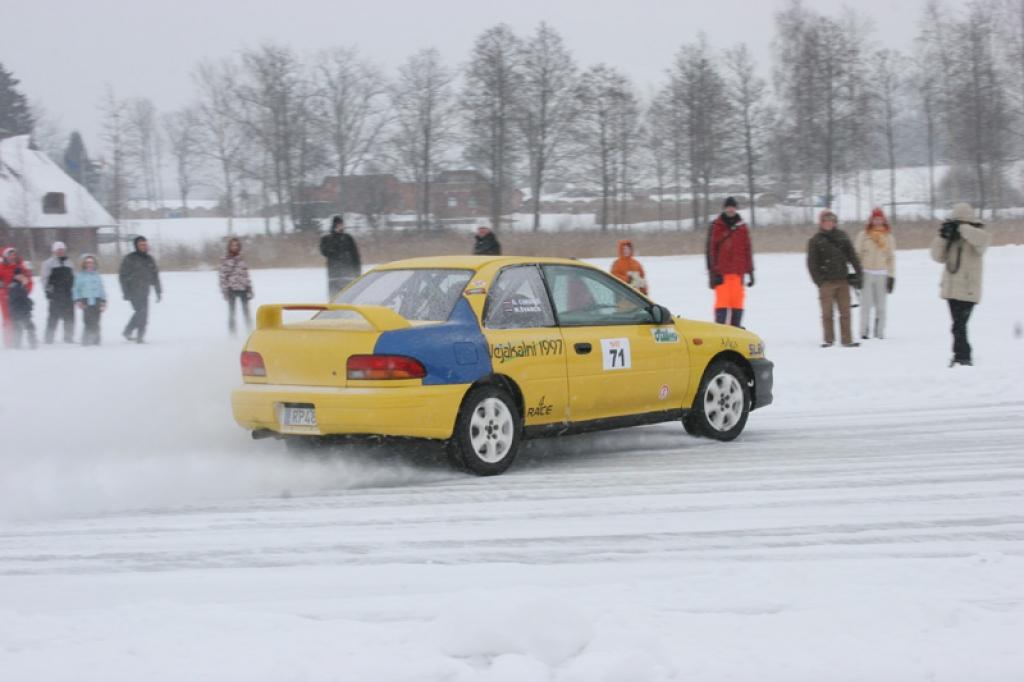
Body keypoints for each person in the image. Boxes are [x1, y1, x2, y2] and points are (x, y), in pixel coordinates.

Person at [930, 202, 992, 367]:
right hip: (951, 290)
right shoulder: (951, 238)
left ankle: (963, 357)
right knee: (957, 326)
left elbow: (982, 243)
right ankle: (960, 356)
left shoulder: (979, 234)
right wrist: (943, 236)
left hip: (968, 290)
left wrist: (962, 228)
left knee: (958, 326)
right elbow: (937, 257)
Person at [807, 209, 863, 348]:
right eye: (825, 221)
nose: (828, 223)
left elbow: (852, 256)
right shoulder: (815, 240)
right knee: (827, 313)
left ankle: (847, 339)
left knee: (845, 312)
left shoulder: (842, 236)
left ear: (835, 222)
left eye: (831, 220)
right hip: (826, 283)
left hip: (843, 281)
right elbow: (812, 263)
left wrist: (859, 273)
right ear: (821, 223)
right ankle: (828, 340)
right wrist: (819, 281)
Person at [706, 196, 754, 327]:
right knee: (721, 304)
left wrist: (750, 271)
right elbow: (711, 251)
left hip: (738, 274)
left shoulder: (742, 227)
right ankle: (720, 331)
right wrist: (712, 272)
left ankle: (735, 330)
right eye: (728, 207)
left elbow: (747, 250)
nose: (730, 209)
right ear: (724, 208)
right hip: (722, 273)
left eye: (732, 207)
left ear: (736, 208)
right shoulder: (717, 226)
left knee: (737, 303)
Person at [854, 208, 896, 340]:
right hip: (867, 273)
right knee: (866, 305)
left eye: (880, 219)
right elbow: (857, 255)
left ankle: (879, 333)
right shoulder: (863, 235)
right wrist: (857, 273)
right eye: (875, 219)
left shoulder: (888, 237)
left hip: (882, 274)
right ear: (871, 220)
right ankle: (863, 332)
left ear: (883, 220)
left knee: (881, 307)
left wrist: (891, 276)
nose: (877, 221)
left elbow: (891, 258)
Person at [119, 236, 162, 343]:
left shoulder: (149, 259)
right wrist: (125, 292)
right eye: (141, 245)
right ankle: (138, 337)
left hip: (145, 291)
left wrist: (158, 291)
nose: (144, 246)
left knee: (142, 313)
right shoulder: (129, 258)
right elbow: (122, 276)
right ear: (136, 246)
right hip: (133, 291)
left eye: (145, 244)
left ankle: (131, 332)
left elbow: (155, 276)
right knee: (141, 313)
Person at [40, 240, 76, 344]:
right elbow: (44, 279)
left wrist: (74, 290)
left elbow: (74, 277)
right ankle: (49, 338)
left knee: (69, 317)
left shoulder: (70, 263)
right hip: (55, 293)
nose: (60, 251)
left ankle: (69, 337)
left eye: (62, 249)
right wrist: (47, 291)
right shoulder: (48, 263)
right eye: (58, 250)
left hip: (68, 293)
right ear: (54, 251)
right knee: (53, 317)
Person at [0, 247, 34, 348]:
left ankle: (32, 340)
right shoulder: (1, 268)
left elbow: (29, 281)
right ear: (5, 256)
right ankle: (10, 342)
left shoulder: (22, 267)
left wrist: (26, 290)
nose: (12, 257)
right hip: (6, 298)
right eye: (10, 255)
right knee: (8, 320)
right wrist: (4, 292)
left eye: (14, 254)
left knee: (25, 318)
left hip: (21, 297)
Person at [319, 216, 361, 298]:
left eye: (341, 224)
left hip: (348, 275)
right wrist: (335, 237)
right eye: (338, 224)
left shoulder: (348, 238)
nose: (340, 226)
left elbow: (355, 256)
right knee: (334, 297)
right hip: (334, 275)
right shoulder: (327, 239)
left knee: (349, 297)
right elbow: (325, 252)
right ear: (334, 225)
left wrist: (358, 272)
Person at [219, 237, 254, 335]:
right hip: (231, 289)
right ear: (229, 247)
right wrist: (224, 290)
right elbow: (222, 276)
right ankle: (232, 335)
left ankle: (249, 332)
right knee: (232, 314)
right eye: (232, 245)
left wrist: (250, 288)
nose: (235, 247)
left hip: (243, 288)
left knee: (246, 313)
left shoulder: (241, 258)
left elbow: (246, 274)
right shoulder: (225, 259)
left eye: (236, 245)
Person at [73, 254, 107, 346]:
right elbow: (76, 289)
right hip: (85, 301)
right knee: (87, 321)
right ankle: (86, 340)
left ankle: (96, 340)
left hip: (97, 300)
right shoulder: (80, 275)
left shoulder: (97, 275)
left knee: (96, 321)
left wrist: (103, 301)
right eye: (87, 262)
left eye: (91, 262)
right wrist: (78, 300)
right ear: (84, 264)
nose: (90, 264)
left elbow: (101, 289)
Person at [7, 266, 37, 349]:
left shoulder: (18, 285)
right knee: (29, 327)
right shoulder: (14, 286)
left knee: (20, 328)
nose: (21, 277)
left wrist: (29, 303)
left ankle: (18, 345)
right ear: (15, 276)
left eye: (22, 275)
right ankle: (32, 344)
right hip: (18, 312)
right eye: (19, 275)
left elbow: (23, 297)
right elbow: (19, 298)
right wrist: (29, 303)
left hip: (20, 311)